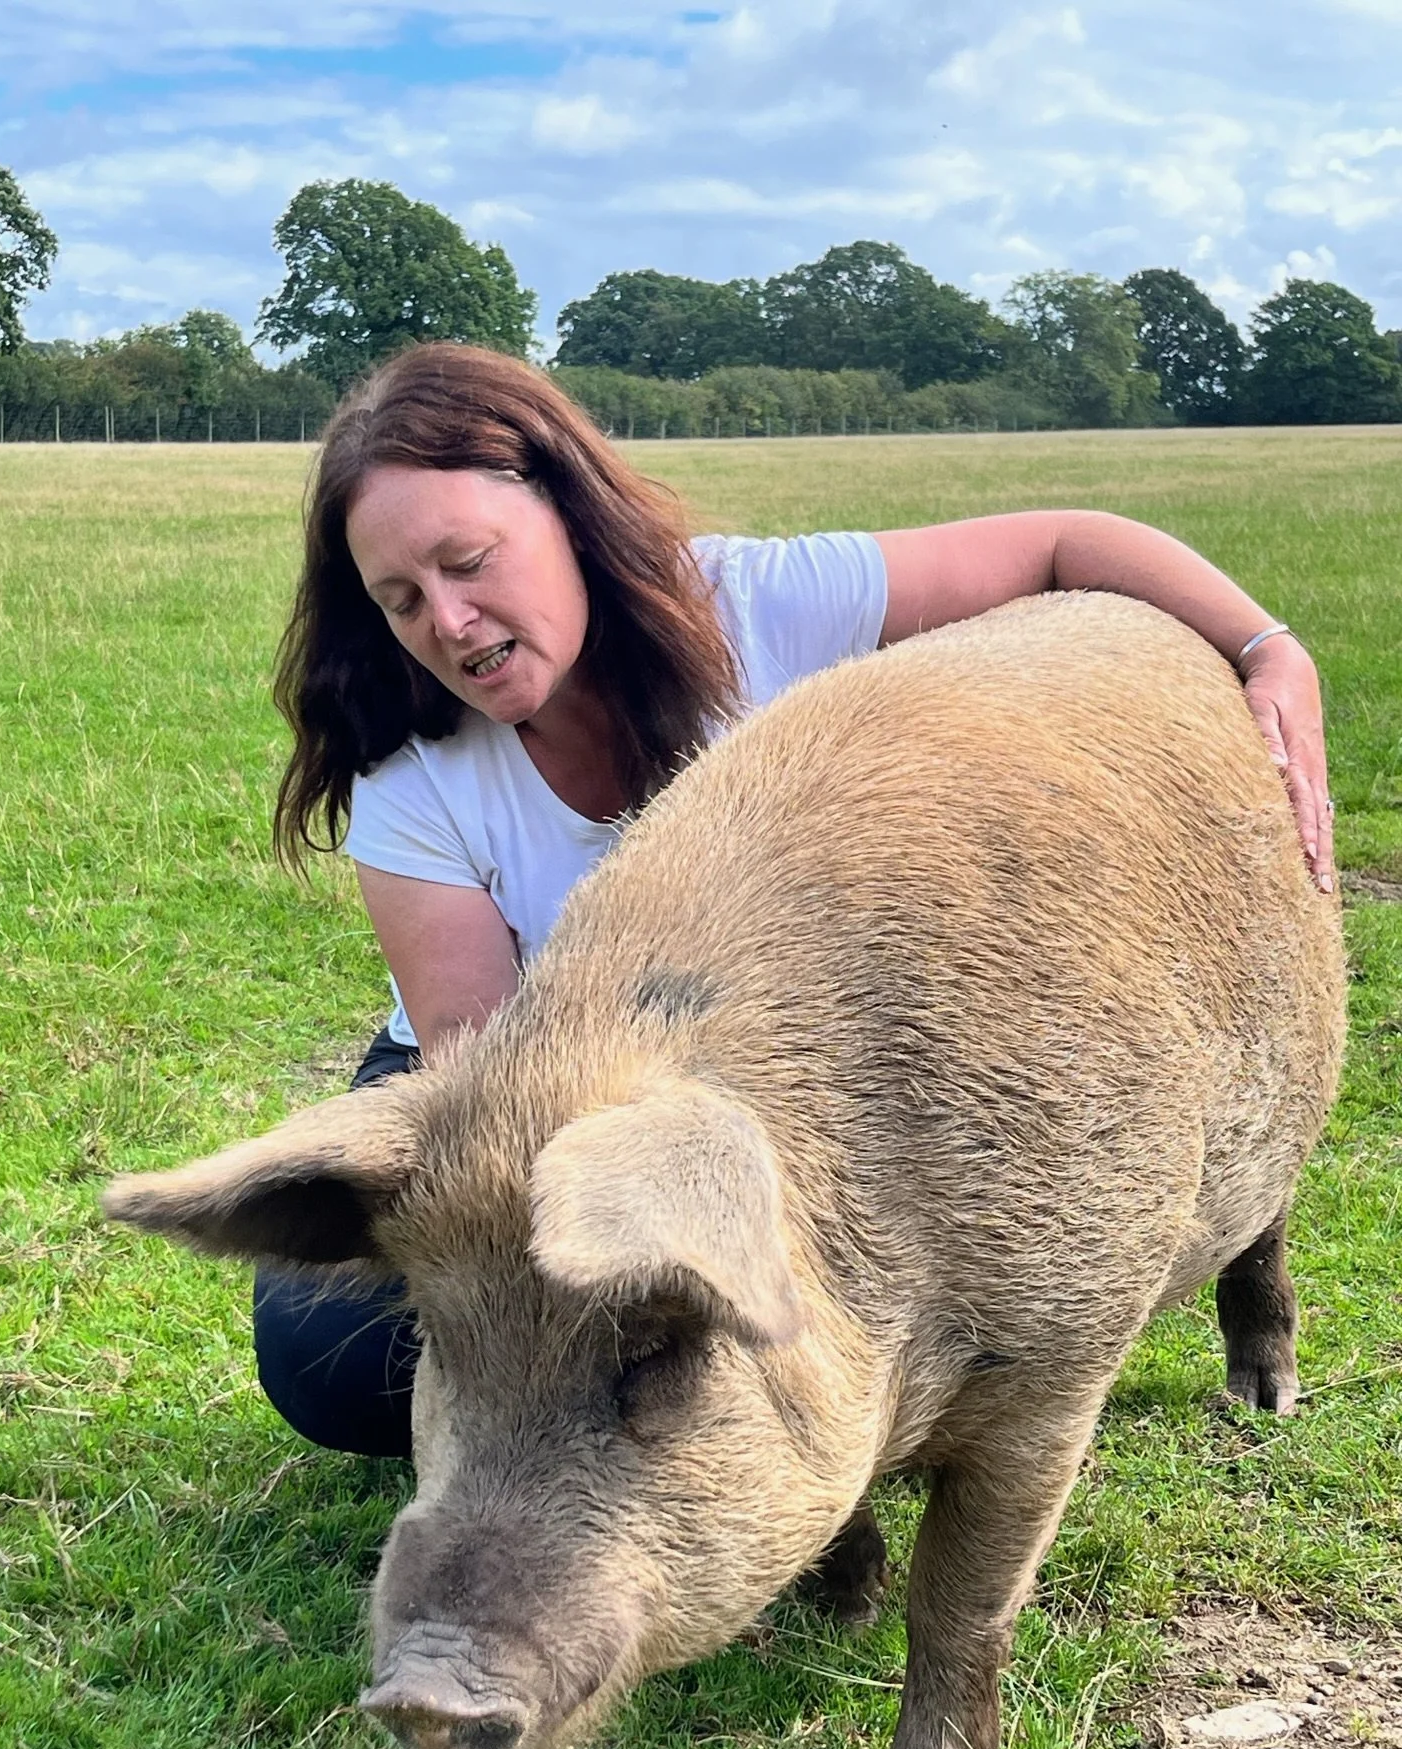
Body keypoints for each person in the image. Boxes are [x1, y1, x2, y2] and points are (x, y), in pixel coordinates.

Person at [254, 341, 1335, 1460]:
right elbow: (496, 1107)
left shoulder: (756, 603)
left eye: (471, 561)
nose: (454, 622)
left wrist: (1267, 648)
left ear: (567, 512)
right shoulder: (416, 780)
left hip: (788, 1057)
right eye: (403, 601)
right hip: (540, 1080)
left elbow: (1066, 544)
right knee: (325, 1349)